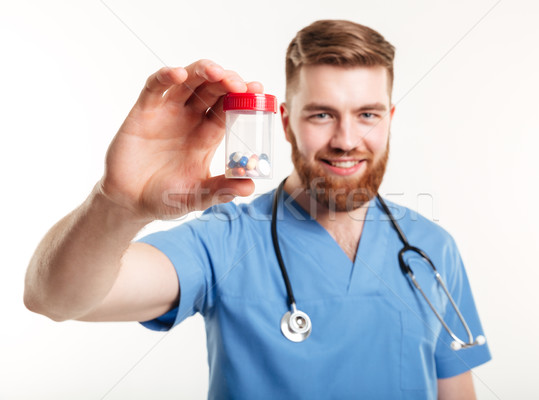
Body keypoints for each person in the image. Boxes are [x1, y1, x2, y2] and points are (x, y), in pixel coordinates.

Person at [24, 19, 491, 399]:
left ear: (390, 119)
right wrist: (118, 203)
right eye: (322, 114)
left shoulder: (432, 248)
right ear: (285, 122)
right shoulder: (225, 238)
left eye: (367, 114)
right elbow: (55, 298)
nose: (347, 139)